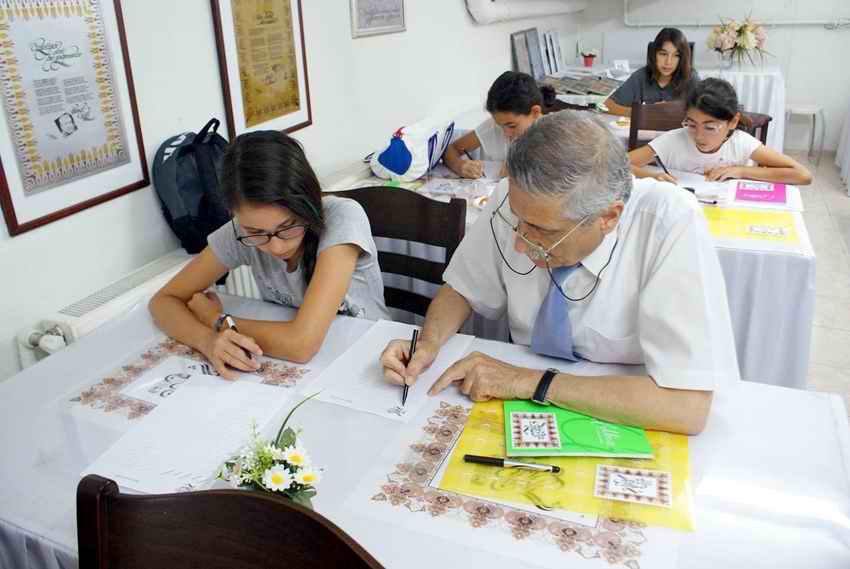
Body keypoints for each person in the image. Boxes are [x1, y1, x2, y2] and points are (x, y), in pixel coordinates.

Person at [380, 111, 740, 435]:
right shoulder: (516, 197)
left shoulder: (669, 221)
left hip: (627, 415)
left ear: (609, 217)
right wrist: (427, 344)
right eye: (518, 223)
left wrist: (526, 381)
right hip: (524, 413)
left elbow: (686, 407)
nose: (520, 244)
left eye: (542, 231)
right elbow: (462, 288)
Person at [149, 131, 389, 378]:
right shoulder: (239, 232)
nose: (276, 248)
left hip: (373, 360)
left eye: (288, 227)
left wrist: (217, 320)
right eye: (256, 233)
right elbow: (164, 301)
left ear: (309, 202)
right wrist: (207, 341)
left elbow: (301, 345)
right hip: (307, 370)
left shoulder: (342, 218)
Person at [629, 77, 812, 185]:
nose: (699, 136)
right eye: (692, 124)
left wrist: (740, 171)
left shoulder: (740, 143)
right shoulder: (674, 140)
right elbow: (617, 165)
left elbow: (803, 175)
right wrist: (653, 176)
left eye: (710, 127)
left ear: (733, 122)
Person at [443, 71, 554, 179]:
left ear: (535, 112)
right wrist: (460, 166)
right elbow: (450, 149)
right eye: (500, 125)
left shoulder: (557, 137)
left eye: (512, 126)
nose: (505, 133)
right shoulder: (498, 125)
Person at [605, 28, 698, 117]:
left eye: (676, 55)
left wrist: (673, 111)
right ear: (654, 54)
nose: (668, 62)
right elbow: (608, 105)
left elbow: (704, 111)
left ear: (683, 58)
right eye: (663, 54)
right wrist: (644, 112)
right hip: (644, 132)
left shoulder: (690, 77)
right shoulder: (640, 76)